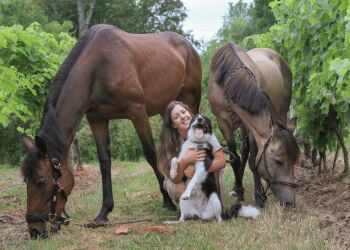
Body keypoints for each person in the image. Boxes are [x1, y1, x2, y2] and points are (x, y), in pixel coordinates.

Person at [157, 101, 226, 204]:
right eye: (177, 117)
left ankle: (212, 201)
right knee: (178, 188)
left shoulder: (205, 130)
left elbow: (221, 161)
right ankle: (191, 208)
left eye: (183, 112)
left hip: (206, 178)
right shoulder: (170, 143)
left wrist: (197, 170)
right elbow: (175, 179)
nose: (183, 116)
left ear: (189, 112)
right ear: (173, 125)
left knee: (214, 166)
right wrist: (185, 160)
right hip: (183, 179)